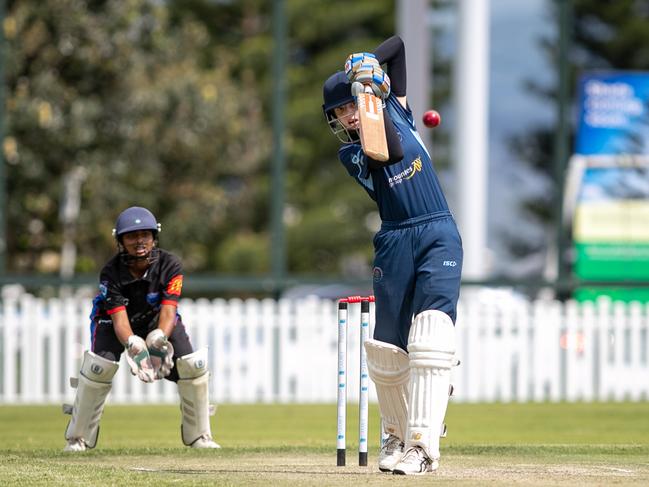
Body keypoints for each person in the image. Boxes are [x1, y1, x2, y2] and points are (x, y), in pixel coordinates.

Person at [323, 36, 463, 475]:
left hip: (437, 229)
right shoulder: (353, 151)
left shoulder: (395, 107)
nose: (347, 115)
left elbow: (400, 45)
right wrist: (370, 97)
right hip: (395, 239)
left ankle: (422, 447)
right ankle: (397, 435)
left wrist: (367, 65)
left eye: (349, 106)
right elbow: (391, 150)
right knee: (387, 351)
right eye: (339, 112)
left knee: (430, 341)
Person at [63, 206, 220, 451]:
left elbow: (169, 310)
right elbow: (119, 320)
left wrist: (159, 338)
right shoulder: (110, 272)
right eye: (131, 236)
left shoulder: (170, 265)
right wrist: (134, 343)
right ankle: (78, 438)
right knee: (98, 368)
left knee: (192, 367)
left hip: (157, 319)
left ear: (154, 236)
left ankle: (200, 436)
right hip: (112, 320)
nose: (139, 241)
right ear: (120, 241)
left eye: (145, 234)